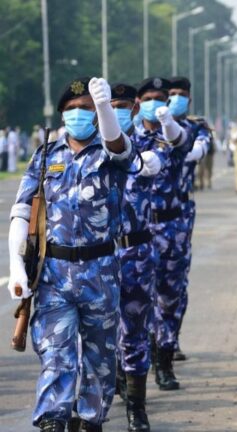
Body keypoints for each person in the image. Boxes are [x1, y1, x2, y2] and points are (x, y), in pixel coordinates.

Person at [7, 77, 134, 432]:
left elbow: (121, 148)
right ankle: (53, 420)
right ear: (62, 113)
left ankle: (91, 420)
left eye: (86, 109)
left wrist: (107, 107)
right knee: (57, 357)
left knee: (99, 359)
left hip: (101, 271)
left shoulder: (110, 152)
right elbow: (21, 210)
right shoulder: (46, 155)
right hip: (54, 275)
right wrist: (17, 268)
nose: (79, 114)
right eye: (73, 109)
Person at [110, 82, 167, 431]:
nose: (116, 110)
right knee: (96, 333)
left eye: (122, 106)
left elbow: (155, 163)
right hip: (99, 256)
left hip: (137, 251)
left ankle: (137, 407)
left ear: (132, 109)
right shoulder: (91, 147)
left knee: (133, 331)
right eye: (110, 105)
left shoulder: (148, 143)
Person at [134, 77, 192, 391]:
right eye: (149, 98)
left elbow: (180, 140)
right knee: (136, 300)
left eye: (161, 97)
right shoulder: (126, 135)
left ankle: (165, 359)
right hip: (137, 230)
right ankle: (132, 365)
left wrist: (167, 121)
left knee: (171, 297)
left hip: (173, 228)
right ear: (138, 103)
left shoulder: (178, 131)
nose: (156, 103)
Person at [167, 76, 210, 361]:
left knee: (175, 284)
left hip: (179, 216)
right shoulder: (142, 130)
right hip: (143, 221)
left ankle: (169, 341)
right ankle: (148, 343)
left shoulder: (196, 128)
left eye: (181, 94)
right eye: (171, 94)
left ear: (189, 99)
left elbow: (196, 151)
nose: (176, 98)